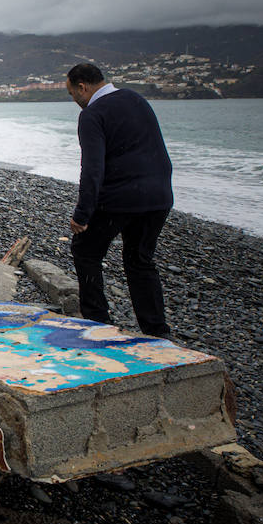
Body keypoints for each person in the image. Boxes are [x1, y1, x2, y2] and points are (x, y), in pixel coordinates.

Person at [65, 62, 174, 337]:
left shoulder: (92, 114)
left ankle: (97, 324)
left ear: (82, 87)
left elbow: (92, 168)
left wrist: (82, 214)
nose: (75, 101)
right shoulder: (136, 99)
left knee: (85, 251)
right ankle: (157, 332)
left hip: (120, 197)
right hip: (158, 195)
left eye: (72, 94)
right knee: (140, 261)